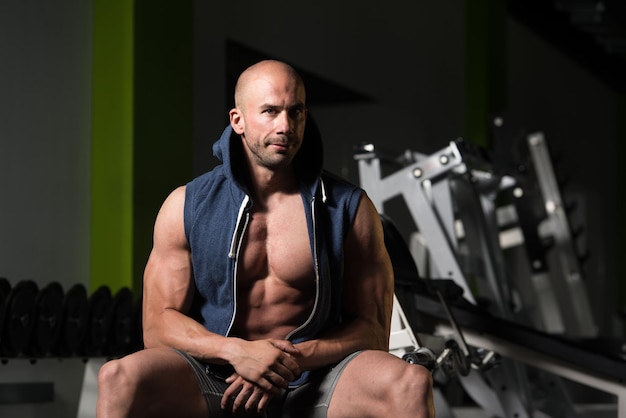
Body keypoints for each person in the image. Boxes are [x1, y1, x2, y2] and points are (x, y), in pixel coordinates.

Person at [96, 59, 434, 418]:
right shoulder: (186, 206)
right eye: (270, 111)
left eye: (296, 112)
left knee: (410, 383)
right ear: (237, 120)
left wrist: (289, 360)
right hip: (216, 377)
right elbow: (157, 326)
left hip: (314, 377)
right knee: (118, 376)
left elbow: (373, 331)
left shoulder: (350, 209)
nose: (285, 126)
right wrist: (237, 353)